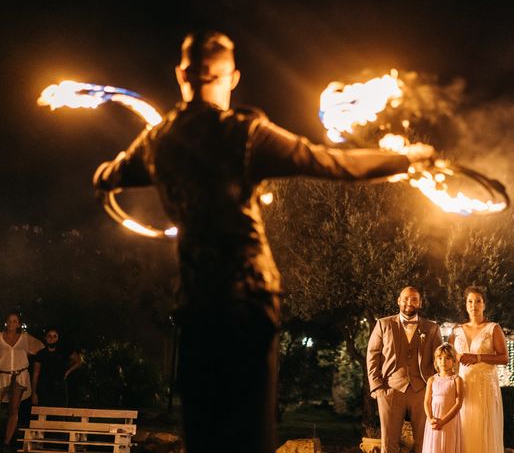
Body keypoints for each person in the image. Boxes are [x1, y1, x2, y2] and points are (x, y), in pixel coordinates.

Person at [92, 30, 435, 453]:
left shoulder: (158, 140)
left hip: (197, 300)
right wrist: (406, 159)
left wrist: (106, 173)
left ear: (180, 73)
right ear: (232, 77)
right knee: (250, 429)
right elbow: (326, 161)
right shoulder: (245, 133)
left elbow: (113, 175)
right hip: (248, 299)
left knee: (203, 430)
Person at [366, 286, 442, 453]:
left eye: (414, 299)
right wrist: (377, 386)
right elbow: (372, 355)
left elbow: (439, 359)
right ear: (399, 300)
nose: (410, 302)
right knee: (389, 443)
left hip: (422, 390)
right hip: (391, 389)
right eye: (406, 298)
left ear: (420, 303)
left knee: (425, 442)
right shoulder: (383, 324)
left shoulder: (431, 328)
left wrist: (436, 387)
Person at [449, 286, 508, 453]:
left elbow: (504, 358)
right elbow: (448, 358)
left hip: (484, 388)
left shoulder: (493, 328)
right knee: (463, 427)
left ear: (484, 305)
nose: (473, 305)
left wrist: (478, 358)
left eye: (478, 301)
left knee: (482, 428)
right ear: (465, 305)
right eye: (470, 301)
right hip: (463, 386)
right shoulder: (457, 331)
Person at [0, 312, 44, 451]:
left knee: (14, 409)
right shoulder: (0, 337)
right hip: (3, 375)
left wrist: (25, 355)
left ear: (18, 324)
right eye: (10, 321)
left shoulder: (24, 338)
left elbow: (40, 346)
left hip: (19, 375)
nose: (12, 323)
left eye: (15, 321)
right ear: (6, 322)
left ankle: (6, 442)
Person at [422, 343, 463, 453]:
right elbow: (427, 402)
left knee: (448, 444)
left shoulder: (457, 380)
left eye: (447, 358)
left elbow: (459, 403)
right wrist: (431, 419)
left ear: (454, 361)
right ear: (436, 361)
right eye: (440, 358)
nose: (443, 361)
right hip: (434, 420)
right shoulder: (432, 380)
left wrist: (443, 421)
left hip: (449, 419)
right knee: (435, 446)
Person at [31, 326, 82, 407]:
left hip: (59, 387)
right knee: (43, 414)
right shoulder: (41, 354)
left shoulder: (63, 351)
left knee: (59, 413)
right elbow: (35, 374)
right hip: (44, 387)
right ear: (45, 338)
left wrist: (68, 371)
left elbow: (78, 361)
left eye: (55, 336)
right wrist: (33, 392)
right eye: (49, 336)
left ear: (58, 338)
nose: (52, 338)